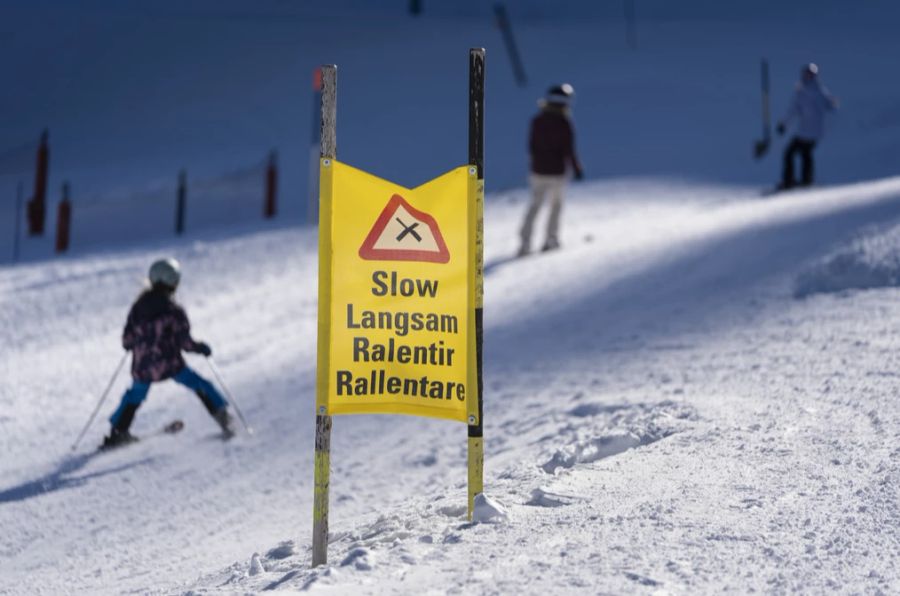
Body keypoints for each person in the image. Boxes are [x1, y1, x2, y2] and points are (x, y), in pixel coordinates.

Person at [102, 258, 234, 449]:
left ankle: (117, 432)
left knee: (134, 395)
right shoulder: (174, 310)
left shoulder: (138, 307)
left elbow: (127, 340)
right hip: (170, 364)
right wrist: (200, 348)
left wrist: (133, 345)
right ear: (174, 282)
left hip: (143, 366)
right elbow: (184, 342)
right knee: (200, 384)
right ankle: (224, 418)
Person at [518, 83, 584, 256]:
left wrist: (537, 162)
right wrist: (577, 169)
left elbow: (531, 146)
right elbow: (569, 150)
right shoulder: (564, 123)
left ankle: (525, 244)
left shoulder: (537, 121)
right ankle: (551, 239)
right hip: (557, 173)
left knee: (535, 206)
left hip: (538, 171)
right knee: (555, 206)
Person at [776, 63, 838, 190]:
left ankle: (789, 182)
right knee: (806, 154)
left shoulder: (802, 91)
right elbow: (832, 105)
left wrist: (783, 124)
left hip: (805, 132)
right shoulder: (821, 90)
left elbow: (792, 111)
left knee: (790, 153)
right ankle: (806, 180)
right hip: (816, 133)